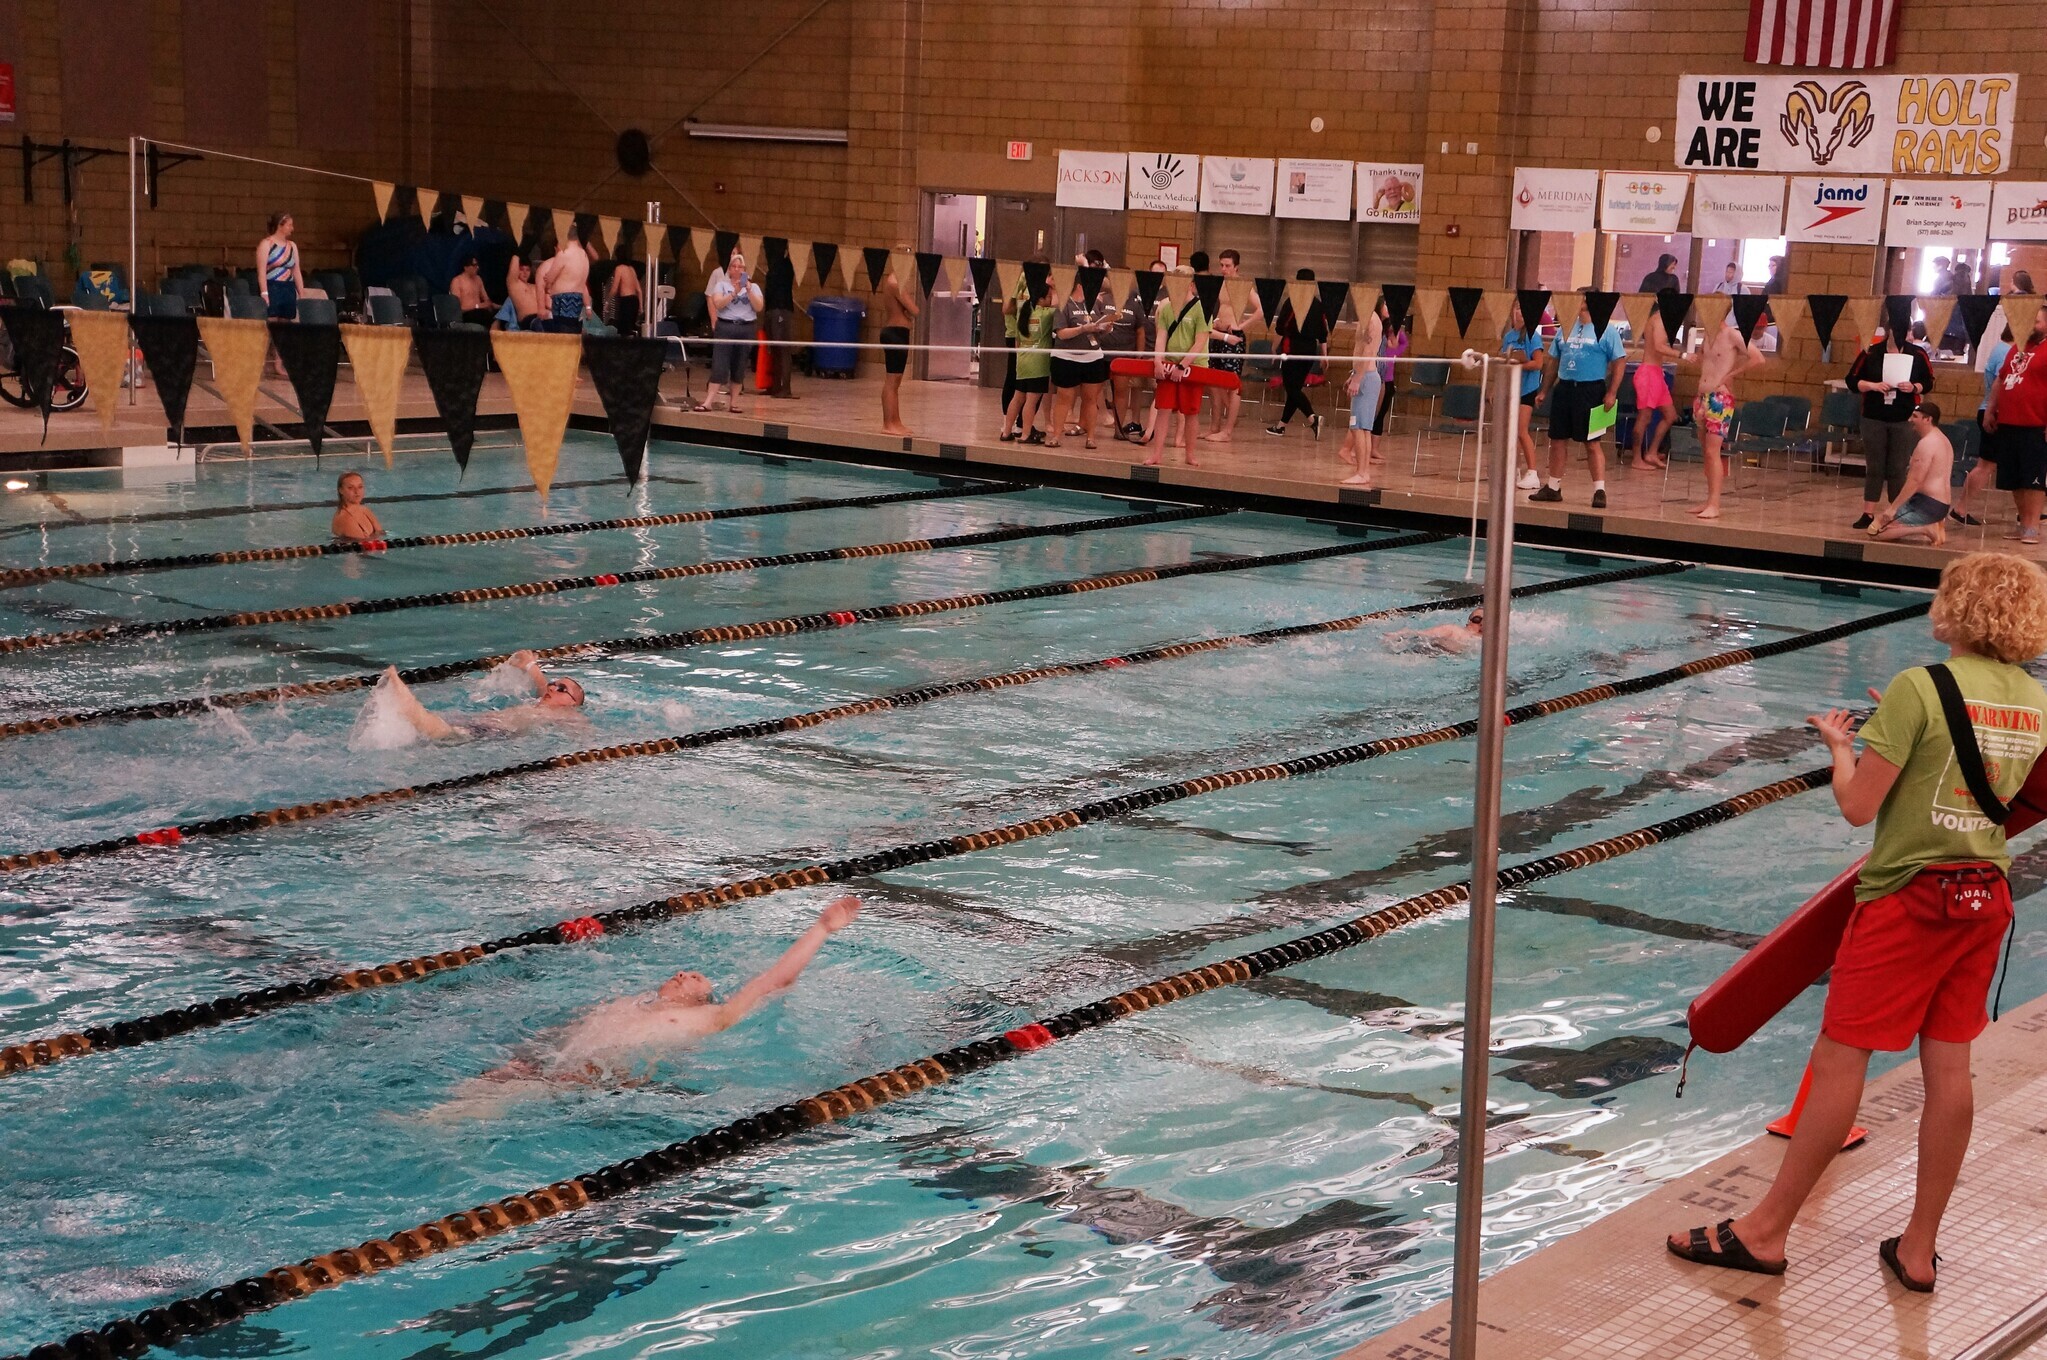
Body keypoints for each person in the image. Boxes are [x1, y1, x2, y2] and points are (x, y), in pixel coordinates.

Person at [1667, 551, 2047, 1290]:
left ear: (1955, 608)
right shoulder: (2035, 703)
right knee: (1949, 1069)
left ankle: (1764, 1232)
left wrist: (1844, 749)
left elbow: (1857, 807)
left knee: (1840, 1057)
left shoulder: (1919, 688)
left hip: (1907, 900)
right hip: (1981, 899)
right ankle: (1916, 1248)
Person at [429, 897, 862, 1118]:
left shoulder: (711, 1017)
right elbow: (563, 1030)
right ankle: (435, 1119)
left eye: (695, 977)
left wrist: (822, 927)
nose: (682, 974)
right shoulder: (627, 1001)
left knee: (485, 1106)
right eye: (683, 971)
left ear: (702, 997)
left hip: (595, 1077)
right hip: (549, 1060)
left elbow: (774, 980)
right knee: (485, 1085)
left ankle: (442, 1126)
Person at [1530, 301, 1627, 509]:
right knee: (1557, 439)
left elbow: (1619, 361)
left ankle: (1599, 490)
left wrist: (1611, 392)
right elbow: (1554, 360)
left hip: (1590, 389)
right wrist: (1544, 390)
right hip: (1565, 387)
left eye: (1581, 300)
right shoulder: (1566, 327)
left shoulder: (1606, 330)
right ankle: (1554, 487)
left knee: (1591, 442)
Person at [372, 650, 586, 742]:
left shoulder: (567, 715)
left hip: (495, 733)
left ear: (572, 703)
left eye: (561, 688)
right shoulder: (542, 703)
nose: (552, 688)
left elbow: (585, 735)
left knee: (437, 731)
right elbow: (541, 684)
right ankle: (404, 708)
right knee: (436, 725)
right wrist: (530, 665)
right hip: (480, 723)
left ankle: (405, 703)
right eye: (554, 684)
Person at [1849, 327, 1935, 529]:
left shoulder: (1917, 353)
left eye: (1906, 331)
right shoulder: (1871, 352)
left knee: (1897, 467)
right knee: (1875, 466)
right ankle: (1868, 513)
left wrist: (1914, 387)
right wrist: (1873, 385)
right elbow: (1852, 380)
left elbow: (1928, 381)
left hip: (1903, 417)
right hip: (1874, 416)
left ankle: (1897, 512)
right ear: (1889, 331)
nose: (1903, 335)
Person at [1688, 314, 1769, 520]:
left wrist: (1730, 375)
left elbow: (1758, 358)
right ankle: (1708, 500)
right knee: (1706, 452)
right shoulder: (1707, 335)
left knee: (1714, 451)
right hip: (1703, 396)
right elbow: (1706, 362)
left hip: (1719, 398)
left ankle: (1715, 503)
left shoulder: (1732, 335)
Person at [1984, 302, 2047, 545]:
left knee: (2032, 478)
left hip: (2035, 424)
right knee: (2013, 478)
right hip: (2009, 422)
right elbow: (2001, 379)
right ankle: (2023, 523)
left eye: (2037, 321)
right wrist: (1991, 410)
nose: (2031, 326)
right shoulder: (2018, 348)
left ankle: (2032, 527)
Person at [1951, 323, 2012, 527]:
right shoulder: (2006, 352)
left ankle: (2028, 510)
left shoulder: (2003, 348)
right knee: (1985, 465)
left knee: (2013, 463)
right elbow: (2002, 385)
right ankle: (1960, 508)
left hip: (1996, 412)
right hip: (1994, 413)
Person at [1866, 404, 1953, 545]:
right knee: (1880, 521)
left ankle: (1926, 528)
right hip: (1939, 504)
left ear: (1927, 419)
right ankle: (1932, 523)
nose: (1910, 420)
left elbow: (1915, 480)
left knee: (1876, 532)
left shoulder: (1927, 444)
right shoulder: (1943, 440)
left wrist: (1893, 508)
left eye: (1915, 417)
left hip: (1928, 505)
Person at [1144, 283, 1210, 469]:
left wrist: (1183, 365)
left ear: (1190, 284)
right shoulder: (1166, 308)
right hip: (1169, 364)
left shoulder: (1202, 308)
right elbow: (1161, 337)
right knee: (1163, 409)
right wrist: (1158, 360)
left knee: (1190, 411)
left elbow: (1200, 342)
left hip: (1193, 365)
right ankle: (1156, 454)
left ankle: (1190, 454)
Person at [1046, 278, 1113, 449]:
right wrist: (1083, 329)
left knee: (1091, 399)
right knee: (1064, 398)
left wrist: (1105, 328)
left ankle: (1090, 437)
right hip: (1066, 357)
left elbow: (1099, 331)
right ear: (1080, 286)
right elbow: (1061, 334)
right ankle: (1056, 435)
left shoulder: (1096, 304)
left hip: (1092, 357)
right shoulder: (1064, 305)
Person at [1266, 269, 1327, 439]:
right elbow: (1323, 333)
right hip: (1310, 351)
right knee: (1295, 389)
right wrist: (1324, 355)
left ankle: (1312, 418)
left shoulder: (1292, 302)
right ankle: (1281, 426)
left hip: (1292, 349)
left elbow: (1280, 328)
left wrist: (1273, 349)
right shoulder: (1318, 304)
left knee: (1291, 388)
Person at [704, 248, 763, 415]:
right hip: (726, 326)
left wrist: (748, 290)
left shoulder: (754, 287)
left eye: (740, 267)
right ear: (729, 270)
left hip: (745, 328)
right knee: (720, 365)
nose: (737, 269)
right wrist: (734, 293)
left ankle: (734, 402)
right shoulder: (721, 285)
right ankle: (709, 401)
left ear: (745, 271)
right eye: (734, 266)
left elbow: (758, 307)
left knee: (739, 365)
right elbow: (718, 304)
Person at [1000, 276, 1056, 444]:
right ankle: (1025, 434)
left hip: (1022, 362)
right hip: (1038, 365)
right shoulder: (1046, 315)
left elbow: (1017, 341)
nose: (1051, 299)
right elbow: (1059, 305)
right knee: (1031, 401)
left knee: (1017, 398)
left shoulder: (1022, 312)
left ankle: (1006, 432)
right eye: (1048, 296)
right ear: (1040, 298)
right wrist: (1054, 286)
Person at [1338, 297, 1388, 487]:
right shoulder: (1373, 319)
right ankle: (1364, 471)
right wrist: (1354, 375)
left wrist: (1357, 379)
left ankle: (1361, 472)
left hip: (1366, 378)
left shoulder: (1370, 320)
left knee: (1358, 428)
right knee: (1363, 429)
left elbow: (1366, 352)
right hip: (1367, 375)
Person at [1499, 301, 1547, 489]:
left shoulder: (1532, 336)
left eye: (1522, 309)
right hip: (1511, 388)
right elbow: (1504, 363)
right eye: (1516, 308)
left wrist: (1518, 364)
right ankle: (1514, 469)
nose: (1519, 312)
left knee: (1521, 431)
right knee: (1510, 434)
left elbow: (1538, 363)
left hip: (1527, 389)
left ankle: (1533, 472)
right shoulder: (1509, 337)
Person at [1630, 314, 1682, 471]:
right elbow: (1659, 346)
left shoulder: (1663, 320)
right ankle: (1636, 458)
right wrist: (1683, 354)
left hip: (1658, 373)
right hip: (1648, 374)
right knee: (1644, 418)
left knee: (1670, 415)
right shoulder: (1658, 320)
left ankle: (1652, 452)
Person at [876, 261, 919, 437]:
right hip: (895, 334)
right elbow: (915, 310)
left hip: (897, 333)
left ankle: (895, 421)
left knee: (895, 382)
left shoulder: (893, 281)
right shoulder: (895, 283)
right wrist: (909, 312)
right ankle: (888, 423)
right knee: (892, 382)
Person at [258, 212, 303, 376]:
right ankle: (260, 361)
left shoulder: (292, 246)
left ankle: (279, 364)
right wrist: (264, 293)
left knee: (283, 327)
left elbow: (296, 271)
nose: (292, 228)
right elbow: (262, 272)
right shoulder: (266, 244)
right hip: (272, 287)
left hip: (287, 288)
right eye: (290, 225)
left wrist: (301, 293)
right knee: (270, 326)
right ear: (281, 225)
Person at [1199, 298, 1248, 444]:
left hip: (1233, 336)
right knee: (1214, 381)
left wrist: (1241, 326)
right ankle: (1215, 426)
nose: (1224, 272)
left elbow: (1260, 310)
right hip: (1218, 335)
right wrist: (1217, 322)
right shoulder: (1219, 285)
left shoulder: (1244, 288)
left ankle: (1228, 431)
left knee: (1233, 383)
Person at [535, 225, 593, 333]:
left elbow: (550, 277)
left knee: (563, 333)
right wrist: (588, 307)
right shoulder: (584, 255)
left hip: (563, 301)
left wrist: (549, 282)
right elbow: (583, 283)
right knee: (573, 331)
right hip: (577, 300)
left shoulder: (564, 254)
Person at [760, 248, 797, 398]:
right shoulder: (774, 265)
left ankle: (785, 388)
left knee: (783, 350)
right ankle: (775, 385)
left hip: (781, 310)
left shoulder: (787, 265)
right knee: (775, 349)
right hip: (772, 310)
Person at [1385, 608, 1485, 655]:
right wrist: (1401, 634)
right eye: (1477, 619)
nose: (1481, 623)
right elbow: (1424, 634)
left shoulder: (1487, 642)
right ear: (1468, 623)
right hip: (1430, 650)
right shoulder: (1454, 630)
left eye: (1486, 620)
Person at [331, 471, 384, 542]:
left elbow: (381, 533)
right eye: (350, 488)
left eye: (360, 487)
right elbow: (364, 545)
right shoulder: (345, 519)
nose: (357, 491)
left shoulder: (364, 510)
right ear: (341, 490)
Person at [450, 257, 496, 327]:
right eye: (474, 265)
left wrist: (490, 306)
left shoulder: (478, 279)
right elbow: (457, 308)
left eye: (477, 265)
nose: (477, 267)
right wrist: (477, 306)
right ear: (466, 267)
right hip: (467, 314)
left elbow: (486, 299)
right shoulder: (457, 281)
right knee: (482, 316)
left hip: (481, 312)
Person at [500, 256, 544, 330]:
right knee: (539, 324)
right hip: (529, 319)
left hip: (543, 317)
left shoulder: (535, 286)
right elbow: (515, 259)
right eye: (521, 269)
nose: (525, 272)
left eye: (528, 270)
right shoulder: (514, 284)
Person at [604, 258, 643, 337]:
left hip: (626, 300)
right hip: (634, 300)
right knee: (631, 327)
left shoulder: (619, 269)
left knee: (624, 330)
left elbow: (614, 288)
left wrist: (607, 302)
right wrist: (641, 306)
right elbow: (639, 290)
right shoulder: (632, 269)